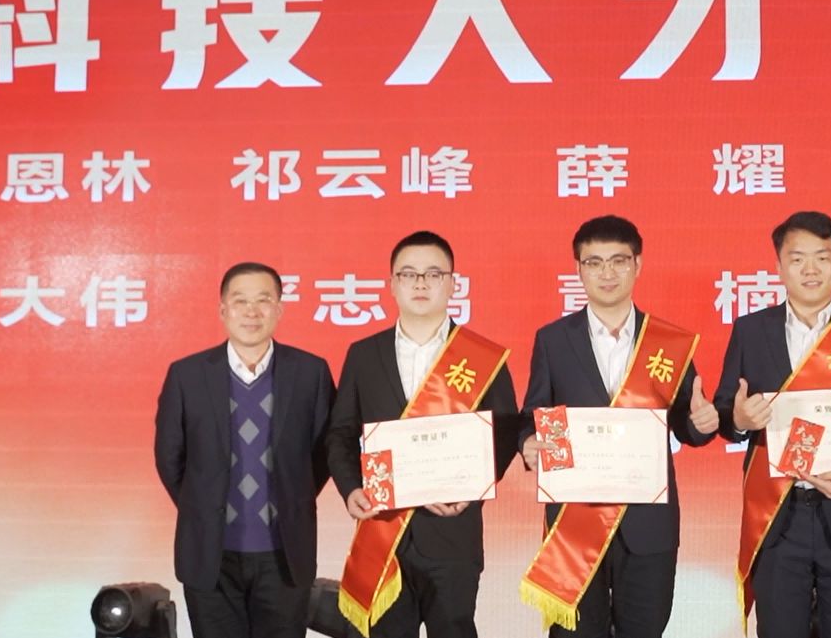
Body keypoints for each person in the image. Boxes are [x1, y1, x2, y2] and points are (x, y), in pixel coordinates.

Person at [518, 214, 720, 638]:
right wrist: (528, 441)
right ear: (578, 270)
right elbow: (534, 411)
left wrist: (703, 422)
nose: (606, 273)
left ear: (637, 264)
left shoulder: (666, 342)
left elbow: (689, 424)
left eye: (618, 261)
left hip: (648, 525)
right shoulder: (553, 340)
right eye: (594, 263)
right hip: (575, 524)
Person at [714, 211, 831, 638]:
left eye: (822, 257)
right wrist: (738, 420)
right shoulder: (751, 331)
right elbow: (727, 410)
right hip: (779, 516)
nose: (810, 269)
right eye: (797, 259)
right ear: (779, 267)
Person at [325, 231, 519, 638]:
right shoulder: (364, 354)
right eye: (408, 274)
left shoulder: (483, 357)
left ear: (453, 284)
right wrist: (350, 488)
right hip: (383, 531)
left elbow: (502, 437)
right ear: (392, 284)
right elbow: (340, 433)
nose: (420, 283)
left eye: (433, 274)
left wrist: (471, 487)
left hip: (453, 535)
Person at [154, 262, 336, 638]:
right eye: (240, 301)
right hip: (210, 555)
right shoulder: (187, 375)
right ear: (223, 310)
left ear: (279, 309)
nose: (252, 311)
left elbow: (324, 453)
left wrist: (290, 496)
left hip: (285, 555)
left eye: (263, 300)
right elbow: (170, 457)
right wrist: (203, 504)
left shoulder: (310, 372)